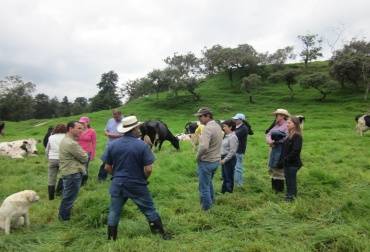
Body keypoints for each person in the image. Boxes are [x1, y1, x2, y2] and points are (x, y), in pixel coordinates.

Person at [105, 115, 171, 240]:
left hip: (117, 183)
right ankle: (160, 234)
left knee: (114, 211)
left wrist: (117, 176)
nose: (140, 129)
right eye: (138, 127)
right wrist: (143, 178)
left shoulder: (112, 145)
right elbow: (149, 169)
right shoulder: (142, 146)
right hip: (137, 183)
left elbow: (107, 167)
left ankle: (111, 238)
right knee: (149, 209)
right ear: (133, 129)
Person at [195, 107, 224, 211]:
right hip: (216, 160)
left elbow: (204, 147)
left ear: (208, 116)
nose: (199, 119)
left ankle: (206, 209)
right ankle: (212, 201)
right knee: (209, 183)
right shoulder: (217, 126)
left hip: (206, 161)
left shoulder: (207, 128)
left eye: (200, 116)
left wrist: (197, 157)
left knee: (204, 187)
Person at [58, 121, 88, 221]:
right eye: (79, 128)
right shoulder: (71, 143)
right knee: (69, 197)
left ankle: (63, 216)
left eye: (82, 128)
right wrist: (85, 154)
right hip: (72, 173)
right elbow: (84, 158)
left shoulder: (66, 140)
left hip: (68, 172)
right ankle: (64, 219)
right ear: (71, 129)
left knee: (67, 196)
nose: (82, 130)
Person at [265, 108, 290, 193]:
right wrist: (269, 140)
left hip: (281, 149)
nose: (276, 116)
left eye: (278, 115)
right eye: (276, 115)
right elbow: (268, 134)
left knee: (278, 167)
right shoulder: (276, 125)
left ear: (283, 116)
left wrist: (276, 141)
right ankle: (274, 188)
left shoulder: (287, 125)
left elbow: (287, 137)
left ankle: (279, 190)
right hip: (273, 148)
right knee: (272, 166)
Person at [281, 117, 303, 202]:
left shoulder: (297, 136)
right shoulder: (289, 135)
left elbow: (296, 150)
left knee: (291, 180)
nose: (287, 124)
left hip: (293, 163)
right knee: (288, 179)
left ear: (295, 125)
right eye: (287, 123)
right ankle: (288, 195)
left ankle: (291, 197)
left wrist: (286, 159)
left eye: (289, 123)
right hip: (287, 162)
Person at [98, 109, 123, 181]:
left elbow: (125, 134)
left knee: (119, 162)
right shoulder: (110, 120)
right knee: (106, 161)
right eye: (114, 116)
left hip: (120, 145)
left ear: (120, 114)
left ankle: (116, 177)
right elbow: (106, 131)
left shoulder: (124, 121)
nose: (115, 118)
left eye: (117, 117)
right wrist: (108, 133)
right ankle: (101, 178)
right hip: (110, 145)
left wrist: (115, 135)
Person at [45, 124, 67, 200]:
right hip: (63, 159)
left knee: (51, 178)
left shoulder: (51, 137)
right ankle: (59, 192)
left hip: (52, 159)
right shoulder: (67, 137)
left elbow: (47, 149)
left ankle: (51, 197)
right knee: (63, 176)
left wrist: (48, 157)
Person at [232, 113, 252, 187]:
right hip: (235, 150)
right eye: (234, 119)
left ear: (241, 120)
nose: (234, 120)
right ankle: (235, 181)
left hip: (239, 150)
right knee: (235, 167)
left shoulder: (244, 128)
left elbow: (233, 135)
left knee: (238, 167)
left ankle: (239, 184)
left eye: (236, 119)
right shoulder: (237, 127)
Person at [220, 120, 238, 193]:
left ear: (230, 127)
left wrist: (225, 160)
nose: (223, 128)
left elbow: (232, 151)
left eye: (225, 126)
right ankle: (223, 191)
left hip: (229, 159)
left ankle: (229, 192)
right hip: (223, 158)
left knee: (228, 176)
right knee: (224, 176)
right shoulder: (225, 136)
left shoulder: (233, 137)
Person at [78, 116, 97, 186]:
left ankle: (83, 182)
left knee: (85, 167)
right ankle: (78, 181)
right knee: (77, 167)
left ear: (87, 123)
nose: (81, 124)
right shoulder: (78, 130)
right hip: (78, 151)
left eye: (83, 123)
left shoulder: (92, 131)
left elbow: (94, 143)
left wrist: (93, 154)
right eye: (80, 122)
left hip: (87, 152)